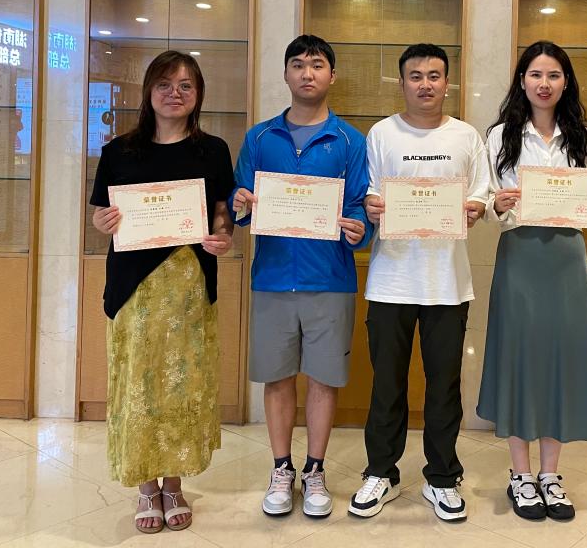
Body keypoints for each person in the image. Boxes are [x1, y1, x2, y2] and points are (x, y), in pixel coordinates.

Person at [478, 40, 587, 521]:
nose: (544, 83)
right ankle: (520, 475)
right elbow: (488, 202)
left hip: (566, 259)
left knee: (562, 358)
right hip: (520, 257)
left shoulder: (585, 140)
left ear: (566, 83)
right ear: (522, 81)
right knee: (521, 357)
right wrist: (497, 205)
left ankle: (550, 475)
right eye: (536, 74)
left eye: (554, 75)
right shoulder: (500, 137)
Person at [90, 50, 235, 534]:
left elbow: (221, 212)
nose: (175, 93)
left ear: (198, 95)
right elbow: (101, 214)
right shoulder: (119, 151)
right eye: (165, 84)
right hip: (134, 286)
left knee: (182, 385)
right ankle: (145, 487)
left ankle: (173, 483)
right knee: (138, 384)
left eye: (186, 85)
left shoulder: (213, 150)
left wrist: (223, 235)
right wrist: (103, 221)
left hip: (190, 284)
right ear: (149, 91)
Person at [229, 35, 371, 519]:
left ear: (332, 75)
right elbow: (240, 201)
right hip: (272, 277)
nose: (307, 73)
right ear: (286, 74)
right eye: (298, 64)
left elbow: (360, 206)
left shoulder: (351, 141)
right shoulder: (259, 138)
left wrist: (360, 227)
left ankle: (315, 470)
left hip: (330, 279)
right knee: (277, 378)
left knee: (324, 380)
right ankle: (281, 468)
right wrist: (239, 201)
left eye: (317, 65)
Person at [349, 43, 489, 522]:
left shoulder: (467, 137)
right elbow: (368, 193)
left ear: (447, 82)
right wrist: (371, 206)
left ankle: (442, 477)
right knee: (386, 384)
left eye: (434, 75)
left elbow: (482, 194)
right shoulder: (381, 134)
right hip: (390, 281)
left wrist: (476, 208)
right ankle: (381, 472)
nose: (425, 84)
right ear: (402, 82)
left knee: (444, 386)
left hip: (448, 283)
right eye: (415, 76)